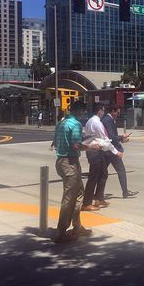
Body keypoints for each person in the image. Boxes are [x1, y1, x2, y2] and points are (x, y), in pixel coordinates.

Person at [52, 100, 98, 243]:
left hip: (60, 161)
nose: (84, 114)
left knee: (78, 193)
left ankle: (77, 226)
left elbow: (56, 142)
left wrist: (84, 139)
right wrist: (92, 146)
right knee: (69, 198)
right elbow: (76, 145)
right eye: (83, 111)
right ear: (79, 111)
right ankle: (61, 231)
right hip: (70, 163)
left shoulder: (62, 123)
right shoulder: (76, 124)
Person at [82, 103, 121, 211]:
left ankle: (99, 198)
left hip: (95, 151)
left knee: (103, 174)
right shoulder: (97, 123)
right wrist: (116, 152)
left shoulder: (90, 121)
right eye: (103, 110)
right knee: (93, 177)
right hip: (95, 151)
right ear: (99, 111)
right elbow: (105, 138)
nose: (103, 113)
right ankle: (86, 203)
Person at [102, 105, 138, 198]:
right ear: (112, 111)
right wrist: (122, 137)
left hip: (107, 149)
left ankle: (98, 193)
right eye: (117, 112)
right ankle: (125, 192)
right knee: (121, 170)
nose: (118, 114)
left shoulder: (106, 119)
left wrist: (121, 139)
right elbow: (111, 137)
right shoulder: (108, 120)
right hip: (111, 150)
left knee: (102, 173)